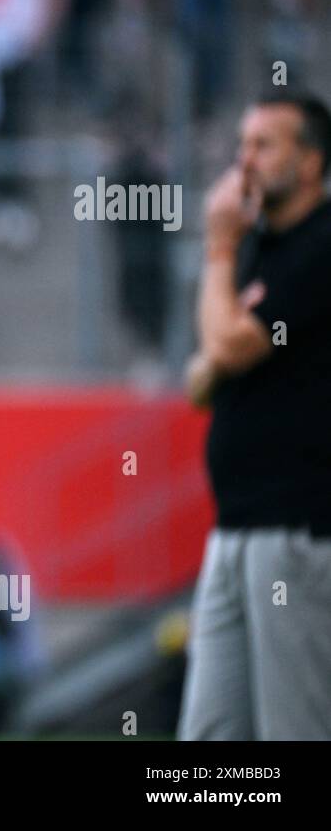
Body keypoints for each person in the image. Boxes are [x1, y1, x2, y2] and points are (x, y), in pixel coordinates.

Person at [179, 92, 331, 740]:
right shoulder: (259, 247)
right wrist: (224, 349)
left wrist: (216, 251)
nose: (245, 162)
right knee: (212, 738)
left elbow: (228, 345)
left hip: (295, 527)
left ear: (310, 161)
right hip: (235, 525)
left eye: (265, 145)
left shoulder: (320, 244)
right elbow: (199, 378)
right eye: (242, 145)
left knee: (291, 731)